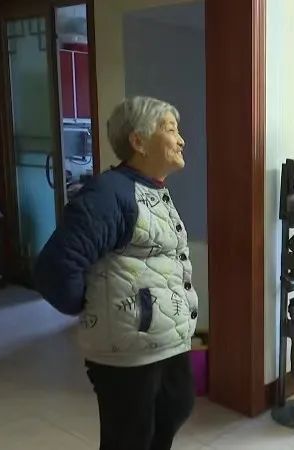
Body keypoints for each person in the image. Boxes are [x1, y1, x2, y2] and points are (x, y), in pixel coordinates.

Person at [35, 96, 197, 450]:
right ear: (139, 141)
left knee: (177, 405)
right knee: (129, 438)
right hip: (126, 350)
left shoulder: (153, 190)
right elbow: (55, 268)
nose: (181, 140)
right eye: (171, 130)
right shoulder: (109, 193)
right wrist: (92, 304)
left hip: (166, 341)